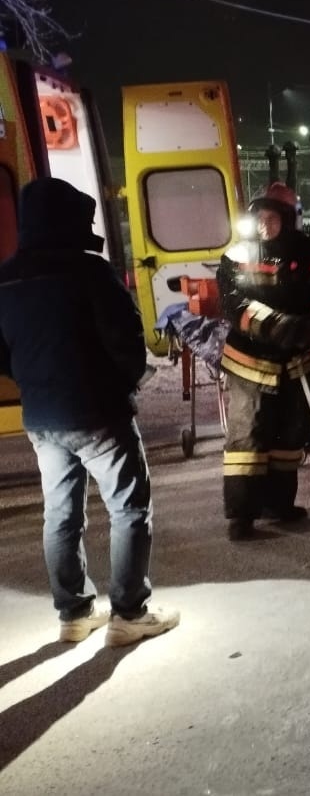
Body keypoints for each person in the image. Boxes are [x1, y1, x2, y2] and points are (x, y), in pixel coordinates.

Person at [0, 177, 179, 646]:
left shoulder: (6, 277)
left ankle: (74, 614)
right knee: (129, 508)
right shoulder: (90, 272)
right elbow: (127, 341)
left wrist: (34, 382)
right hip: (98, 410)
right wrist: (123, 383)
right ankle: (128, 613)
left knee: (60, 513)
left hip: (41, 416)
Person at [217, 182, 310, 541]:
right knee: (247, 439)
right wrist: (278, 325)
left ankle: (280, 504)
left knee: (289, 440)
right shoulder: (237, 256)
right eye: (258, 217)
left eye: (271, 217)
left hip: (298, 364)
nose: (262, 224)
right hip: (250, 364)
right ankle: (241, 515)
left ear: (288, 219)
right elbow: (232, 304)